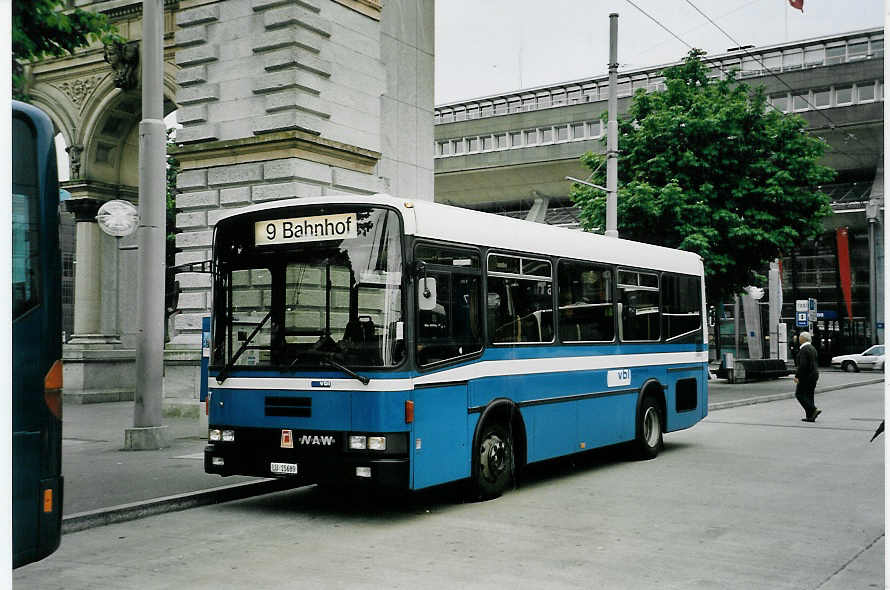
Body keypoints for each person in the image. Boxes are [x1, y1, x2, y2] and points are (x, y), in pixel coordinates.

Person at [794, 331, 821, 422]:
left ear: (803, 339)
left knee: (799, 394)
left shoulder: (804, 350)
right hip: (814, 375)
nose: (798, 339)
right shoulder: (813, 348)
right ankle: (810, 416)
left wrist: (797, 376)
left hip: (806, 376)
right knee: (809, 395)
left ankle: (813, 409)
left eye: (800, 337)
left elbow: (803, 365)